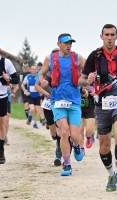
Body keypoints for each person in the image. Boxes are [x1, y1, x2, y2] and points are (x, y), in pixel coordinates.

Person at [79, 24, 117, 192]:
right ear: (101, 37)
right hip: (102, 105)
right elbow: (81, 81)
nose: (109, 37)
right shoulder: (95, 56)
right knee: (104, 146)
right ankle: (111, 174)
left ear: (116, 37)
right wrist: (89, 81)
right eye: (106, 34)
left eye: (112, 35)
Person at [40, 33, 86, 176]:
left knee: (74, 136)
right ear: (59, 44)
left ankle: (77, 146)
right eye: (66, 43)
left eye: (70, 43)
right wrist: (43, 81)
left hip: (74, 100)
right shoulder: (50, 58)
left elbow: (88, 70)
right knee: (64, 132)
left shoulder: (77, 57)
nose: (68, 45)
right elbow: (41, 75)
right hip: (57, 100)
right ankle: (67, 165)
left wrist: (87, 80)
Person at [35, 48, 62, 166]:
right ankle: (56, 139)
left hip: (61, 104)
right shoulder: (47, 72)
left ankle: (59, 152)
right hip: (48, 104)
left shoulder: (66, 70)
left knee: (61, 130)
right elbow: (38, 86)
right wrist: (48, 94)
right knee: (54, 132)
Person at [79, 84, 96, 156]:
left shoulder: (95, 76)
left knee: (89, 130)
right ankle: (81, 148)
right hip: (79, 107)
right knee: (80, 130)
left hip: (91, 106)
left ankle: (89, 136)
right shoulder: (77, 75)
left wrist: (95, 91)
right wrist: (82, 89)